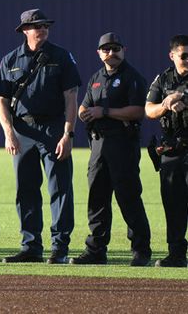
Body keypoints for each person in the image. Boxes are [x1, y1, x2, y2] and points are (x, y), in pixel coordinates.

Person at [0, 8, 81, 264]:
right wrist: (8, 133)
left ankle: (60, 247)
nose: (41, 29)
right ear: (24, 31)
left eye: (44, 25)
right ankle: (31, 246)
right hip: (23, 130)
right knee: (26, 190)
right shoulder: (10, 59)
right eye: (35, 25)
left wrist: (68, 134)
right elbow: (1, 100)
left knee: (60, 189)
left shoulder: (61, 56)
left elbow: (71, 97)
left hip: (53, 128)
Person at [71, 32, 151, 266]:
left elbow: (138, 110)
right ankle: (96, 250)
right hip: (98, 144)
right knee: (97, 198)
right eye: (106, 49)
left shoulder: (132, 77)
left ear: (123, 50)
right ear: (99, 53)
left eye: (115, 48)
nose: (111, 53)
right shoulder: (96, 76)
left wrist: (105, 112)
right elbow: (85, 105)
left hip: (122, 143)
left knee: (128, 197)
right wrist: (83, 112)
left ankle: (140, 250)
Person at [145, 34, 188, 268]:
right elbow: (148, 110)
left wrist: (183, 97)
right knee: (173, 204)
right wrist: (166, 103)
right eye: (184, 55)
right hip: (172, 150)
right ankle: (176, 254)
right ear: (172, 56)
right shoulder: (163, 79)